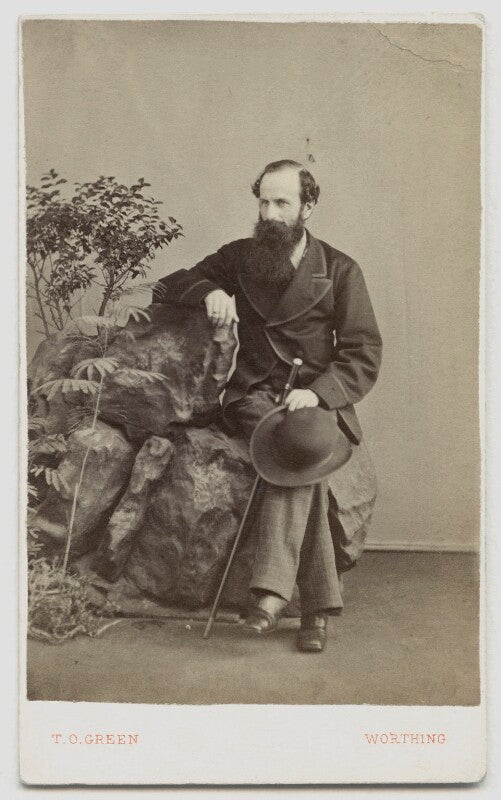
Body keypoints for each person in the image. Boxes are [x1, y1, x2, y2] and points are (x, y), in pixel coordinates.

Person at [154, 159, 382, 652]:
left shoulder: (339, 269)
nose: (271, 214)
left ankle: (279, 598)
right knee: (294, 445)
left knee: (304, 439)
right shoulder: (240, 257)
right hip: (255, 393)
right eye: (264, 202)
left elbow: (362, 351)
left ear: (308, 206)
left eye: (283, 203)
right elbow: (168, 284)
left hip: (314, 395)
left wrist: (319, 393)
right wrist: (211, 290)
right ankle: (310, 609)